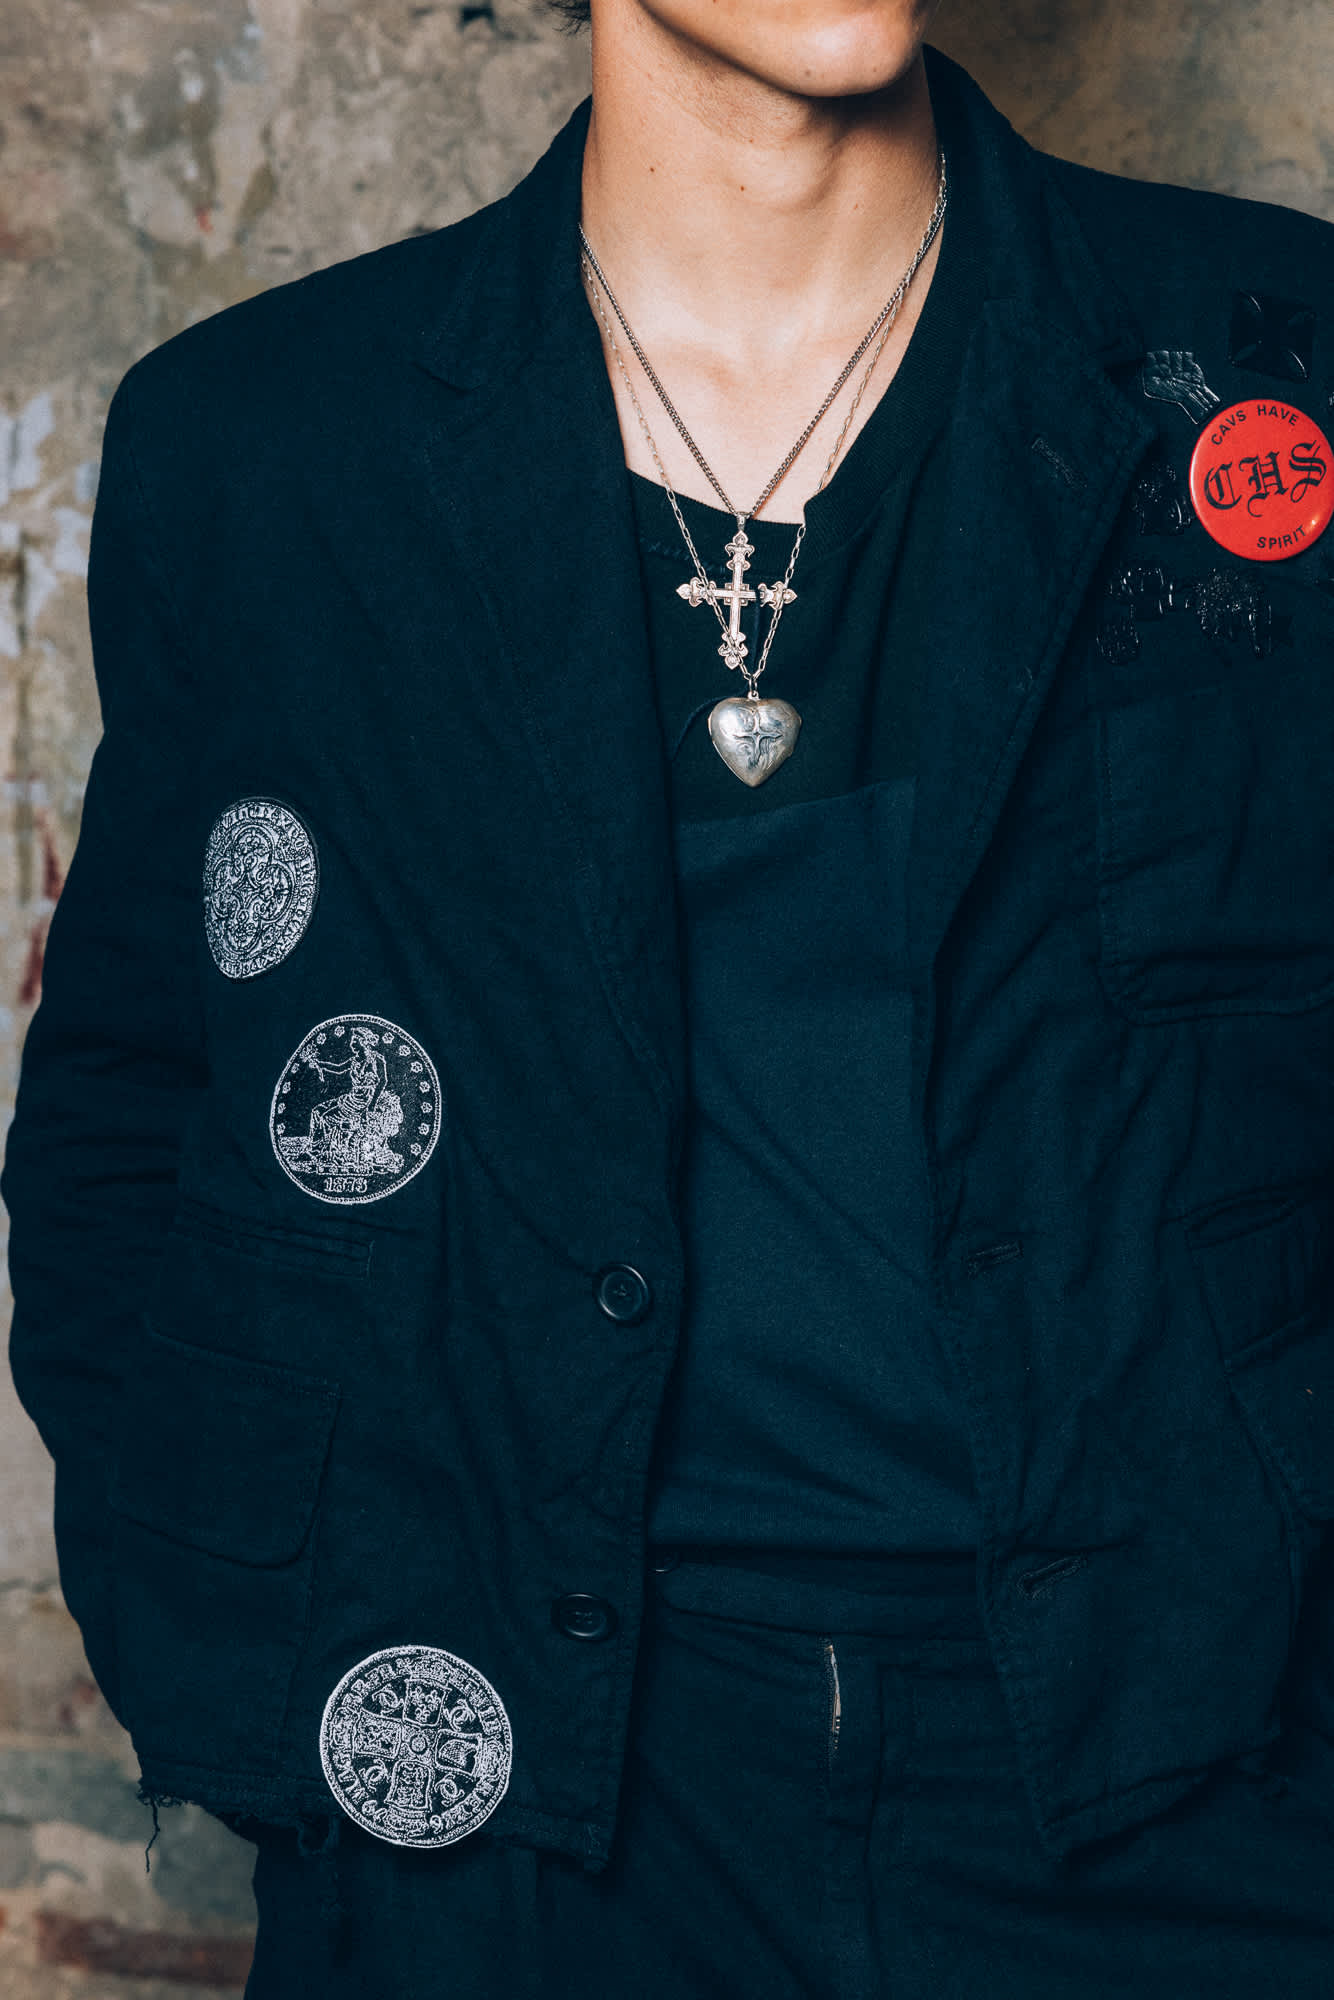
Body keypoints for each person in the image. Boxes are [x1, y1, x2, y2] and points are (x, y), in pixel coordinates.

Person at [7, 0, 1334, 1991]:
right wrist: (231, 1613)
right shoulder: (269, 440)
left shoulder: (1271, 356)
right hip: (518, 1827)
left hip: (1189, 1768)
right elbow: (126, 1120)